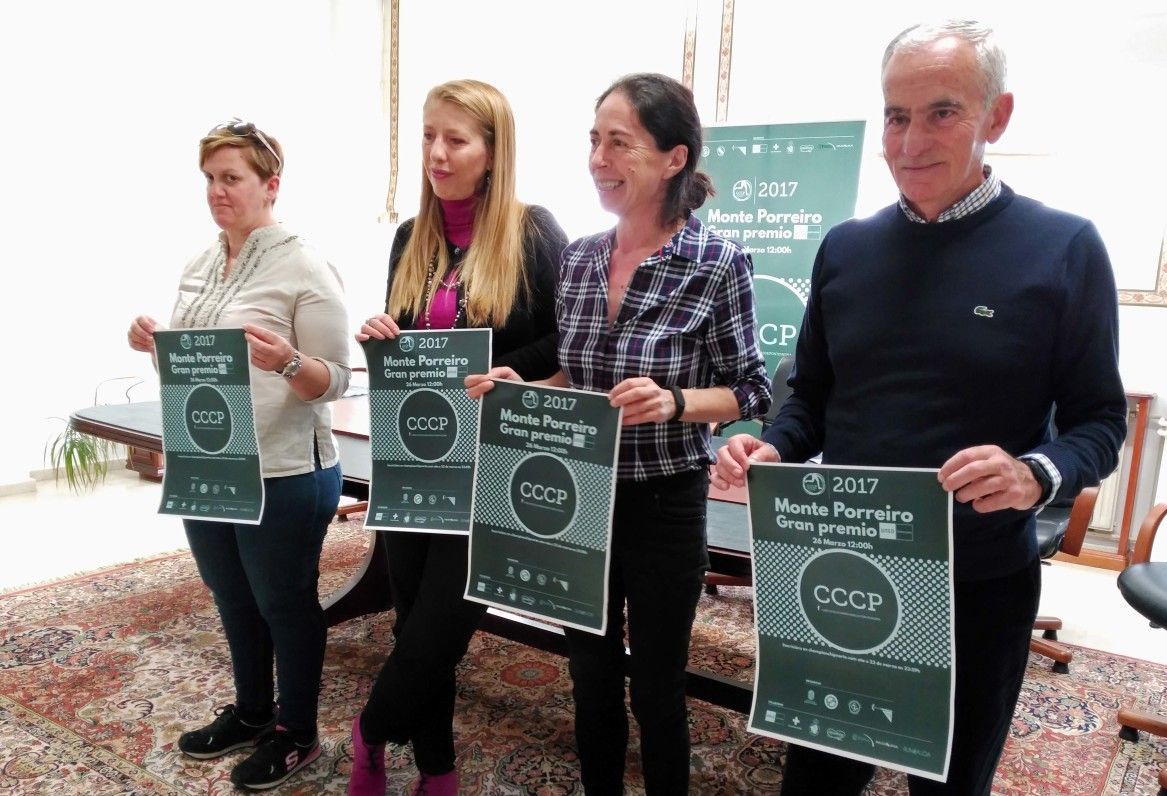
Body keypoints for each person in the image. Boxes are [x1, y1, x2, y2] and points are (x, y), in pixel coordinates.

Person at [713, 19, 1127, 796]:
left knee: (947, 785)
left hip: (978, 580)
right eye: (896, 116)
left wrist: (1036, 472)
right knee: (815, 778)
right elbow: (812, 397)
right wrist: (773, 445)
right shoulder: (846, 248)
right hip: (842, 568)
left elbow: (1101, 420)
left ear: (996, 118)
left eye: (942, 112)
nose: (910, 140)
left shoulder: (1064, 247)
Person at [467, 72, 771, 794]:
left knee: (657, 686)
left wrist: (673, 402)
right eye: (594, 141)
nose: (600, 159)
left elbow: (751, 387)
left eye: (620, 143)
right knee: (590, 673)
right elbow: (576, 377)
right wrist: (525, 387)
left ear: (674, 158)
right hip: (580, 496)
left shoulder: (717, 265)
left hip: (665, 502)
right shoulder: (577, 259)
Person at [348, 79, 567, 796]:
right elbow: (408, 336)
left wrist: (510, 371)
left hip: (497, 465)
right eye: (428, 136)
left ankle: (370, 730)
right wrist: (384, 333)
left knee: (443, 623)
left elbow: (567, 342)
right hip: (417, 459)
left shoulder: (534, 232)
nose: (437, 153)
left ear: (493, 150)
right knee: (413, 620)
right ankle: (438, 771)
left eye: (456, 139)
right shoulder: (412, 237)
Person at [127, 120, 351, 790]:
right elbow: (197, 370)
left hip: (286, 469)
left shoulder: (304, 265)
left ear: (270, 186)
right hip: (211, 465)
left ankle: (298, 732)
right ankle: (254, 712)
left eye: (232, 179)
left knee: (283, 603)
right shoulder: (200, 265)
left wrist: (287, 362)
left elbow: (336, 377)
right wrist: (153, 342)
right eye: (210, 180)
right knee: (231, 597)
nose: (217, 192)